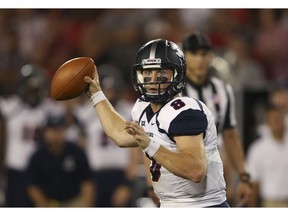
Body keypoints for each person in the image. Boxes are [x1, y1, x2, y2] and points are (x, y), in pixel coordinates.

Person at [83, 38, 228, 207]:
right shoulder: (143, 109)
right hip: (170, 204)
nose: (153, 79)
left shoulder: (185, 111)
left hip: (202, 205)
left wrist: (149, 145)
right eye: (147, 72)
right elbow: (120, 135)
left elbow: (195, 170)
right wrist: (96, 94)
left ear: (177, 74)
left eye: (161, 72)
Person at [180, 31, 252, 206]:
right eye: (194, 54)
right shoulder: (174, 91)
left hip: (216, 173)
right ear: (184, 56)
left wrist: (243, 176)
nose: (200, 59)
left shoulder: (222, 89)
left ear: (210, 56)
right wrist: (153, 184)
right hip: (181, 175)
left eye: (204, 54)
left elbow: (229, 135)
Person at [74, 64, 138, 207]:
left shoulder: (131, 111)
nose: (110, 93)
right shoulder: (84, 113)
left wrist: (127, 185)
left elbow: (136, 152)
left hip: (121, 175)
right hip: (94, 178)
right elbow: (80, 148)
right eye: (107, 89)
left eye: (113, 89)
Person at [0, 64, 63, 207]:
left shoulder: (50, 108)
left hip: (43, 170)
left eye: (36, 90)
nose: (32, 94)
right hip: (17, 170)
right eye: (30, 89)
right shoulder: (11, 106)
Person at [26, 115, 95, 207]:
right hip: (48, 202)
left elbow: (87, 183)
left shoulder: (76, 152)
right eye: (53, 130)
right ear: (45, 133)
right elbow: (32, 186)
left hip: (73, 202)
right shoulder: (38, 156)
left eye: (59, 130)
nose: (56, 135)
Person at [246, 103, 288, 207]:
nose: (277, 122)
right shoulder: (258, 149)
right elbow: (254, 182)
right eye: (273, 119)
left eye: (279, 118)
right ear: (267, 122)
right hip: (270, 202)